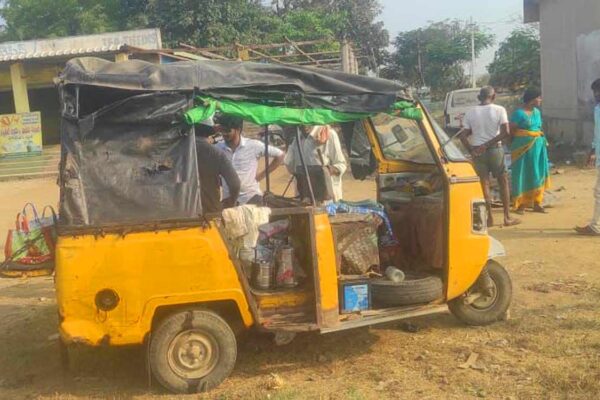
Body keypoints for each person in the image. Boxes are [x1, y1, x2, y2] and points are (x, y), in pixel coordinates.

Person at [459, 86, 520, 227]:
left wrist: (472, 150)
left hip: (478, 153)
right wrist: (486, 145)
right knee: (503, 182)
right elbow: (505, 132)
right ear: (493, 97)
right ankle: (507, 217)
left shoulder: (470, 112)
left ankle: (490, 218)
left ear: (480, 97)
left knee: (484, 184)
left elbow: (463, 136)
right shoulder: (499, 110)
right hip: (494, 150)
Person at [216, 115, 285, 205]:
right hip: (229, 200)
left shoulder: (253, 146)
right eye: (222, 130)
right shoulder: (218, 148)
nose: (224, 134)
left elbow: (280, 155)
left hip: (251, 198)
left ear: (238, 129)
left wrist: (261, 175)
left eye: (228, 131)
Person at [509, 87, 551, 214]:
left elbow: (538, 128)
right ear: (532, 99)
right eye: (538, 97)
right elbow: (511, 131)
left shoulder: (537, 112)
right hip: (521, 148)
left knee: (537, 172)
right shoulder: (518, 114)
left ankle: (537, 203)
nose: (540, 100)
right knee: (522, 173)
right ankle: (521, 204)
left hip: (537, 147)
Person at [284, 125, 347, 202]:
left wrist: (326, 171)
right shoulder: (297, 139)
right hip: (304, 198)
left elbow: (341, 164)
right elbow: (289, 165)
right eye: (301, 123)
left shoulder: (328, 134)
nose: (304, 125)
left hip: (327, 198)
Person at [194, 119, 240, 213]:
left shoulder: (179, 150)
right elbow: (235, 184)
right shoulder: (217, 153)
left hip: (181, 211)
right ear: (211, 131)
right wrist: (231, 202)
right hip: (209, 211)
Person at [575, 79, 600, 236]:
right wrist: (593, 150)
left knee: (598, 191)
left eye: (597, 92)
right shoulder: (597, 108)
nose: (595, 95)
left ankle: (595, 225)